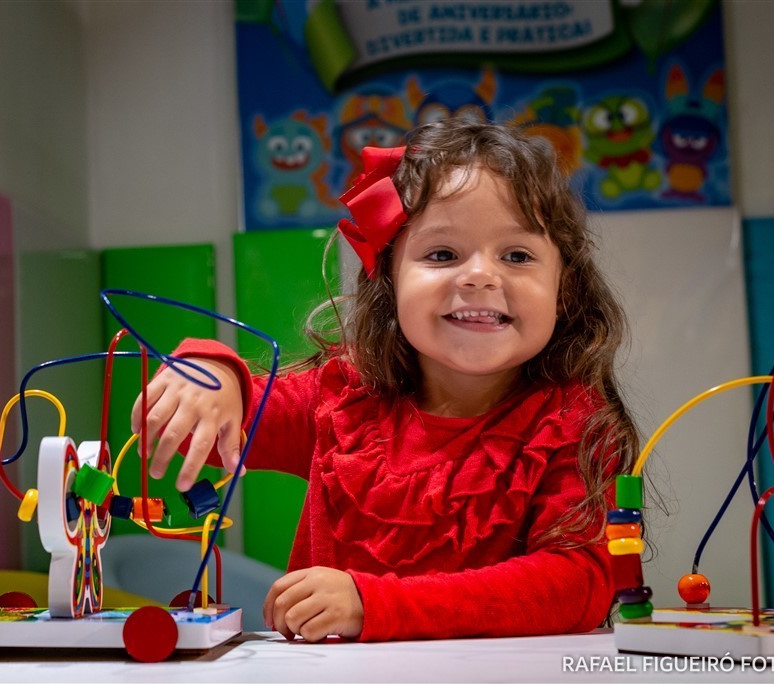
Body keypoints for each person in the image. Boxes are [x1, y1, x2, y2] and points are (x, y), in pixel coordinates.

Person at [132, 119, 639, 643]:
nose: (479, 276)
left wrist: (374, 604)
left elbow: (577, 586)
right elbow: (193, 433)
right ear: (389, 277)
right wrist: (212, 373)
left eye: (517, 255)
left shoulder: (575, 423)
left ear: (564, 288)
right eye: (442, 254)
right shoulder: (341, 395)